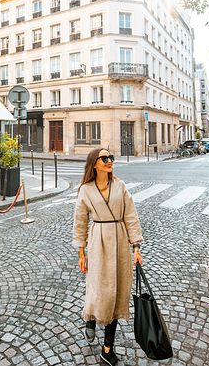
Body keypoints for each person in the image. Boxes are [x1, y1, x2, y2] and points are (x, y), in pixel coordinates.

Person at [72, 148, 143, 366]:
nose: (109, 161)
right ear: (94, 163)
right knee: (98, 288)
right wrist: (81, 251)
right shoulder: (85, 190)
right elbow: (80, 222)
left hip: (120, 241)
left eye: (110, 158)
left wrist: (136, 247)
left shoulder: (120, 186)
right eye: (105, 158)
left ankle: (107, 348)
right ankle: (90, 318)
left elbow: (131, 216)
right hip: (98, 242)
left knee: (116, 291)